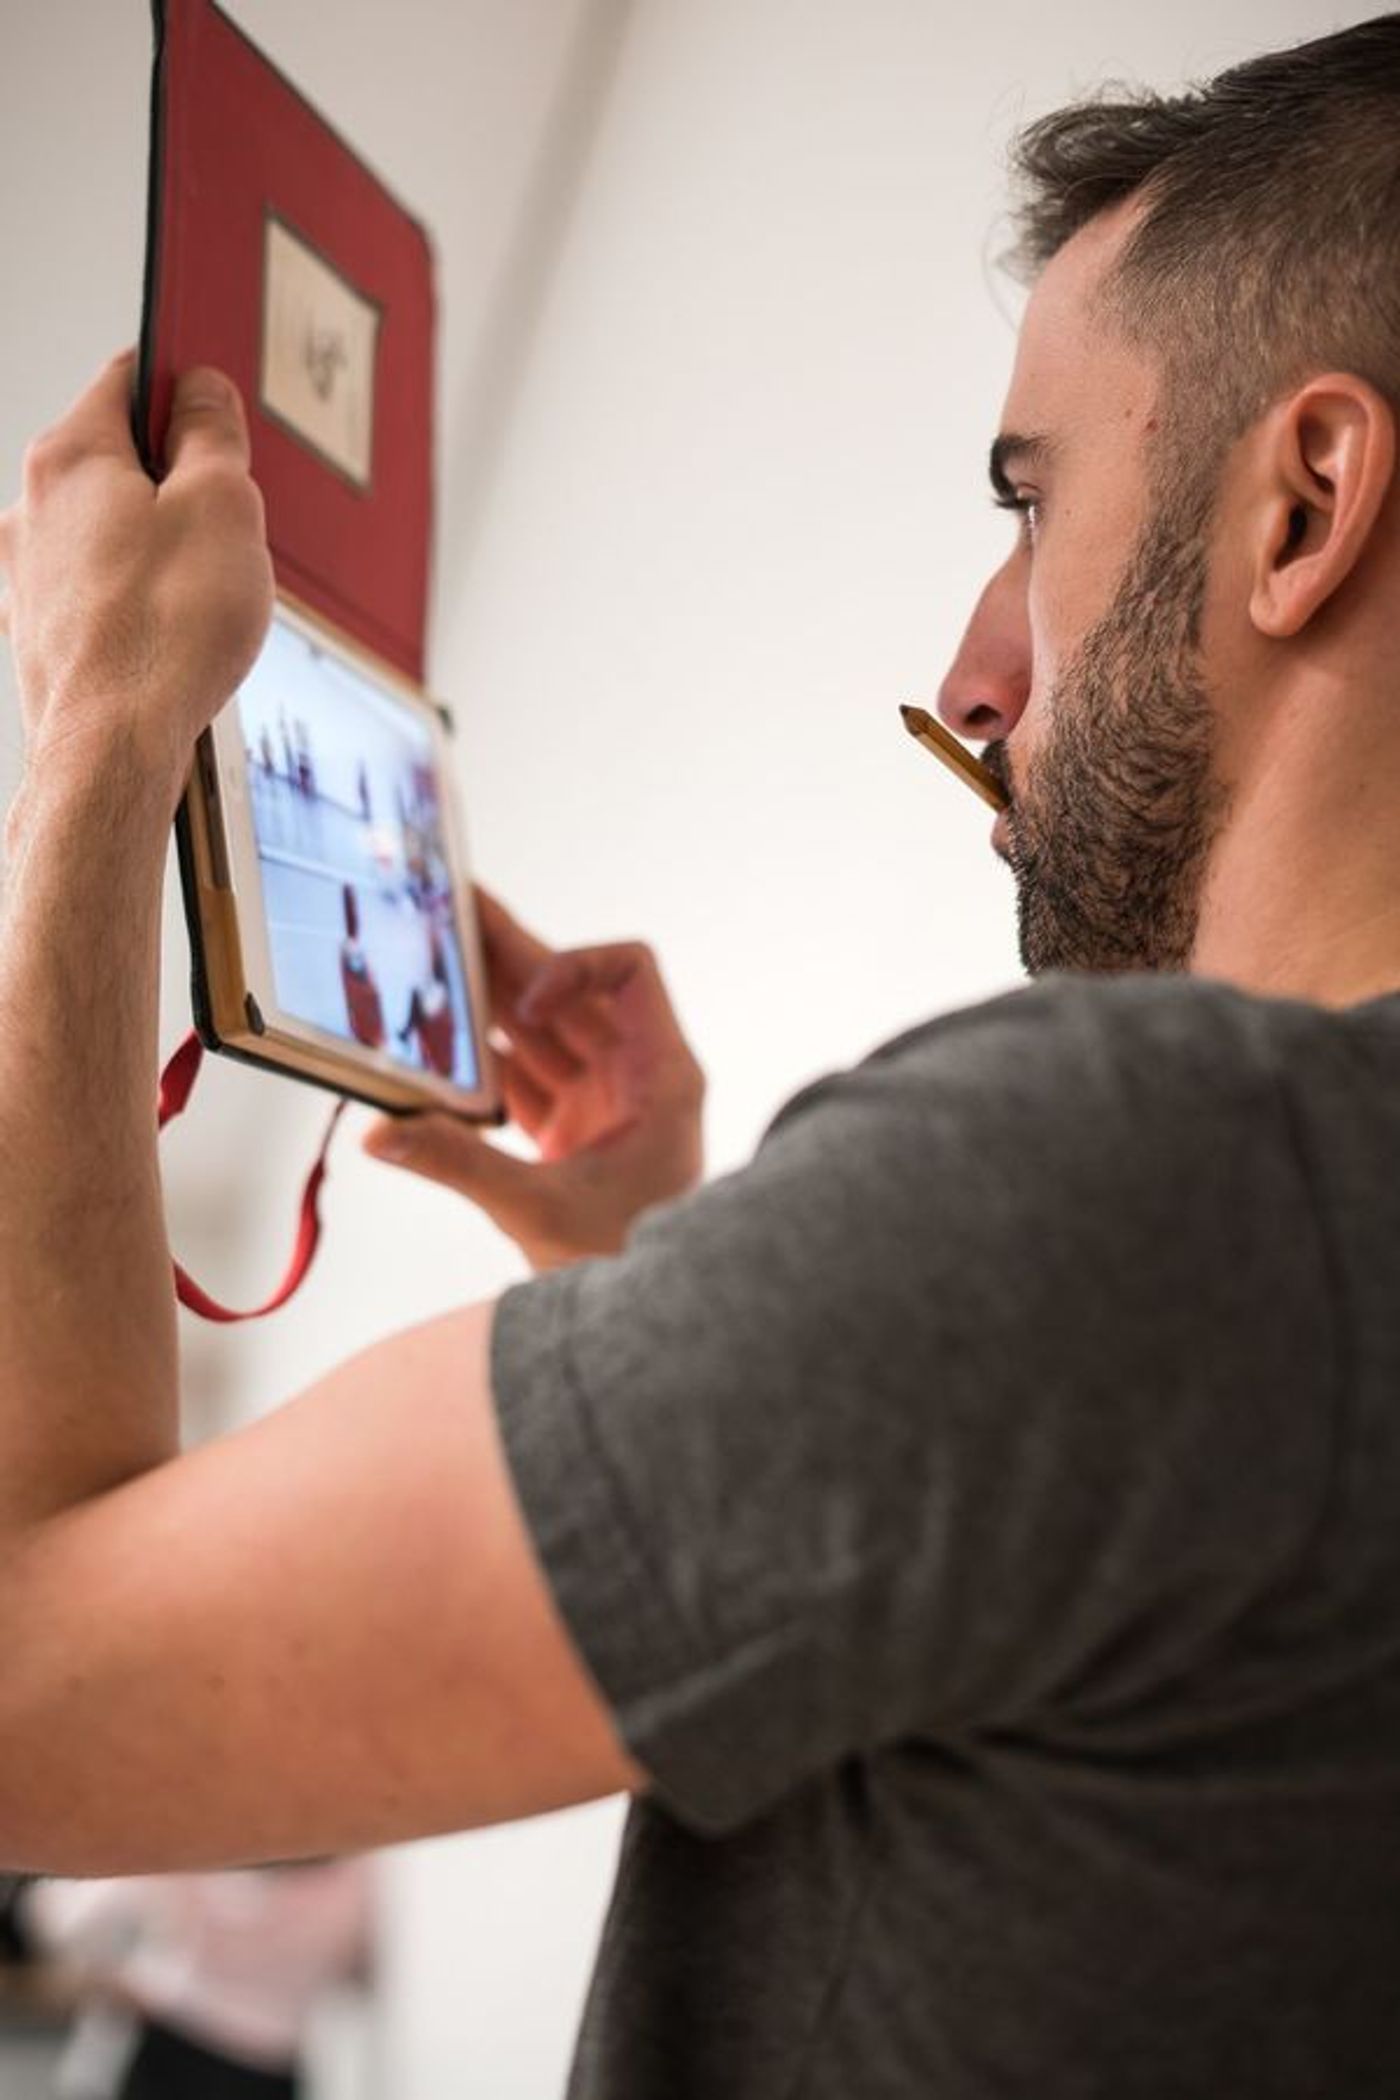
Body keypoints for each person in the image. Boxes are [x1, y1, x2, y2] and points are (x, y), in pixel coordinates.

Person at [0, 15, 1399, 2095]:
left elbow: (28, 1691)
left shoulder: (1130, 1187)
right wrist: (643, 1251)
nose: (970, 670)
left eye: (1035, 507)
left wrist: (102, 729)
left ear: (1301, 502)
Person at [18, 1864, 373, 2100]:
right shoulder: (359, 1874)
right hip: (270, 2069)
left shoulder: (189, 1859)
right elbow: (358, 1969)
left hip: (178, 2047)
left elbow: (64, 1920)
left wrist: (128, 1973)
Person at [336, 882, 386, 1049]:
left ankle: (348, 893)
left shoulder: (352, 948)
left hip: (359, 980)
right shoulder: (352, 948)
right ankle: (348, 893)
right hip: (360, 982)